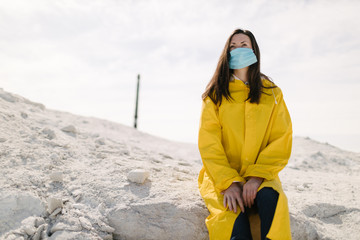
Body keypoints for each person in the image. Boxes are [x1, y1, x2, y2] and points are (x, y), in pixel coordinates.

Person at [198, 28, 292, 240]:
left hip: (261, 176)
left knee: (271, 201)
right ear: (226, 53)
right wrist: (230, 183)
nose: (238, 49)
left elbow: (281, 138)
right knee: (233, 221)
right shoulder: (215, 95)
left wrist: (256, 178)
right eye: (233, 46)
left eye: (244, 45)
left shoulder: (272, 93)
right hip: (221, 177)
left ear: (254, 51)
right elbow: (209, 143)